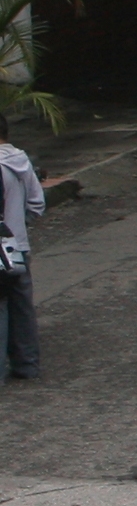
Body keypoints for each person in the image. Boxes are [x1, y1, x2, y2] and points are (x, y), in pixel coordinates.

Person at [0, 109, 42, 381]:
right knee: (22, 306)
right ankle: (27, 365)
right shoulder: (21, 161)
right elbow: (37, 205)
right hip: (18, 249)